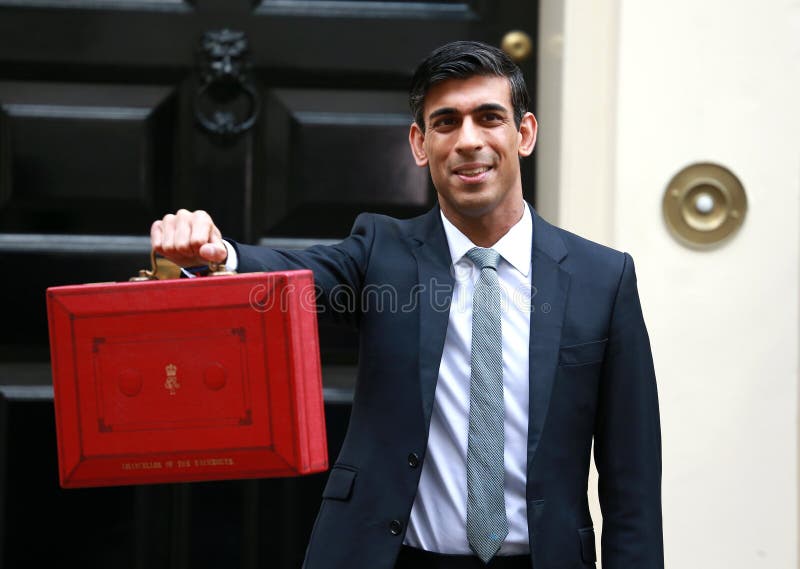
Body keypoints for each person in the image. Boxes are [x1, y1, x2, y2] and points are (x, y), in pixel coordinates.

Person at [151, 41, 663, 569]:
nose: (469, 141)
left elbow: (634, 483)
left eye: (489, 118)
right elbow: (295, 276)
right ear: (420, 143)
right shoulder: (380, 252)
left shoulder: (603, 278)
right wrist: (218, 255)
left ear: (524, 133)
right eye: (446, 122)